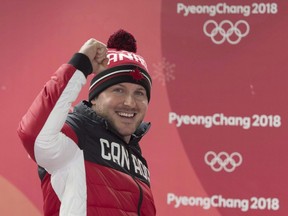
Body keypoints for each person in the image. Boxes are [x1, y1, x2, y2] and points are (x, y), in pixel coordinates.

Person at [17, 29, 156, 216]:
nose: (130, 103)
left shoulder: (137, 156)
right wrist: (80, 66)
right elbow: (34, 135)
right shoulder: (77, 135)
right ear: (95, 98)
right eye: (118, 90)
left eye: (139, 93)